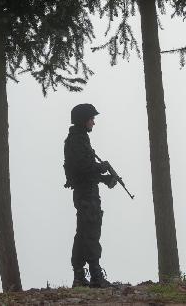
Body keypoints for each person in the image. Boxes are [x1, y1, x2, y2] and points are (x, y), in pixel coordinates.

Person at [64, 103, 117, 288]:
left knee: (83, 233)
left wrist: (104, 179)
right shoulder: (77, 140)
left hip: (85, 191)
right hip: (86, 194)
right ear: (83, 120)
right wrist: (103, 167)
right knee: (91, 232)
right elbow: (83, 168)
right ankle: (95, 275)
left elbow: (84, 170)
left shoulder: (79, 139)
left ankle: (79, 276)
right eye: (91, 119)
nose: (93, 123)